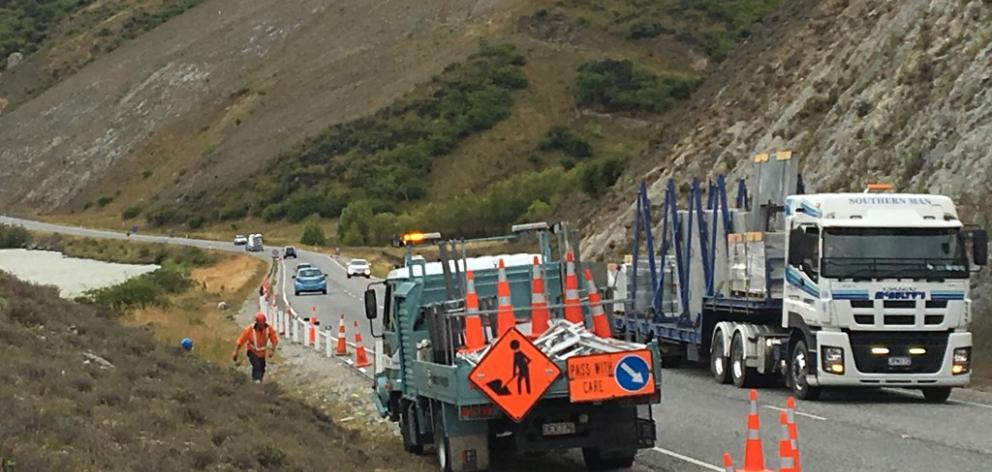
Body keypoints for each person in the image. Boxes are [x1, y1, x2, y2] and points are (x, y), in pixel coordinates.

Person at [232, 312, 278, 383]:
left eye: (263, 324)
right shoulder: (249, 330)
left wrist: (272, 350)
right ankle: (257, 382)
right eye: (260, 324)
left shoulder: (268, 329)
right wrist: (236, 352)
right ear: (256, 323)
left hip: (262, 354)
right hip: (252, 351)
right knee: (257, 366)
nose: (262, 326)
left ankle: (256, 381)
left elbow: (274, 340)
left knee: (262, 368)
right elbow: (240, 341)